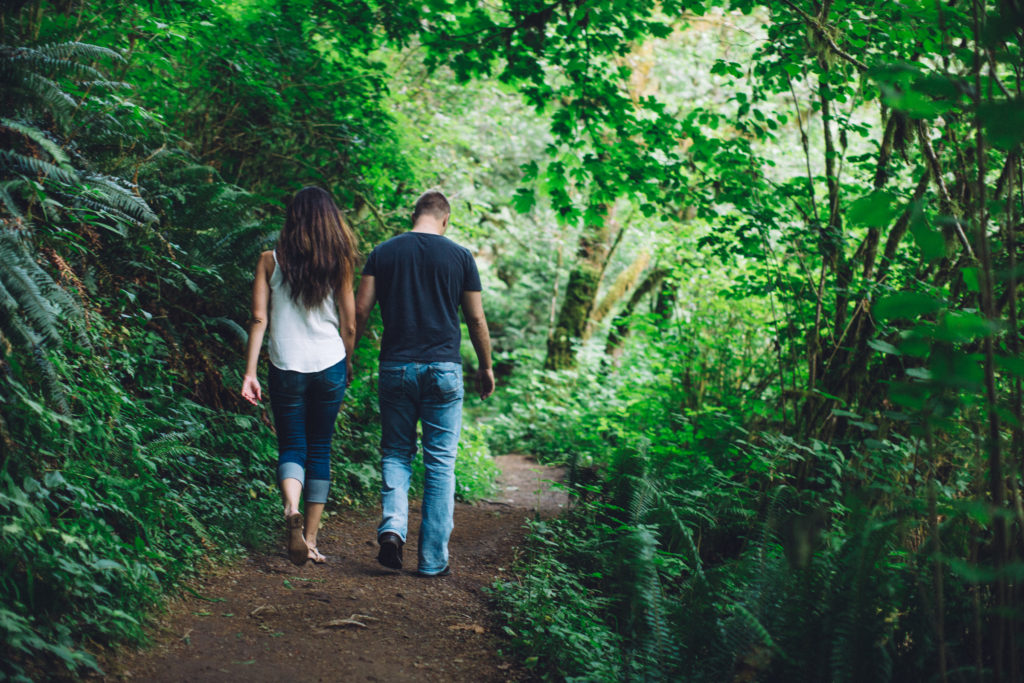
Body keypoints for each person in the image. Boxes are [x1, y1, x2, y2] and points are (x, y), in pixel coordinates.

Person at [354, 189, 494, 577]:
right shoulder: (460, 256)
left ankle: (393, 528)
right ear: (445, 220)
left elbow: (361, 309)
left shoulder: (383, 252)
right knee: (440, 463)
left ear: (413, 215)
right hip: (444, 369)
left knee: (396, 452)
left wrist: (347, 356)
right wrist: (485, 366)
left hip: (396, 367)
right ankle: (432, 560)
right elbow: (476, 319)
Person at [241, 186, 357, 566]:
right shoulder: (339, 261)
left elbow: (259, 319)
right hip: (329, 362)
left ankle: (290, 506)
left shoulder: (269, 261)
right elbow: (349, 324)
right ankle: (310, 539)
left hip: (285, 364)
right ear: (329, 220)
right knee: (320, 447)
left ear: (292, 219)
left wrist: (250, 372)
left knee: (292, 446)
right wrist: (347, 361)